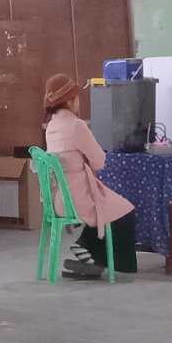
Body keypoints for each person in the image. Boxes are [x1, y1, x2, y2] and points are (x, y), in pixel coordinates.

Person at [42, 74, 138, 279]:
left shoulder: (51, 126)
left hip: (58, 197)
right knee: (124, 209)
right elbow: (99, 161)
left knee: (110, 204)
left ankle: (88, 254)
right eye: (76, 98)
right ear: (70, 101)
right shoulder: (77, 125)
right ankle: (88, 250)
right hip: (77, 196)